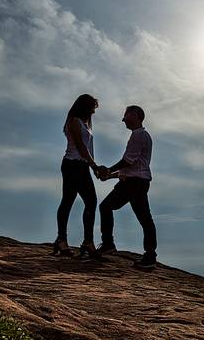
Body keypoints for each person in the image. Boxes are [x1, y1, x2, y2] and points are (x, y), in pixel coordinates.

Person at [96, 105, 157, 270]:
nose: (123, 119)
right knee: (144, 218)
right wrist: (110, 176)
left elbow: (128, 162)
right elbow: (130, 167)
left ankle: (110, 244)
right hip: (134, 182)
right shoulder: (139, 136)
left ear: (136, 115)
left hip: (134, 183)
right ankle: (149, 254)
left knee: (107, 207)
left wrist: (108, 170)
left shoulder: (139, 135)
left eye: (126, 115)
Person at [54, 94, 102, 258]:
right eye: (92, 108)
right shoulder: (74, 121)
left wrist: (92, 166)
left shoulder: (85, 123)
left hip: (81, 166)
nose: (93, 112)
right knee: (75, 201)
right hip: (73, 164)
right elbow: (81, 147)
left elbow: (88, 147)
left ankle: (79, 241)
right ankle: (68, 240)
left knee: (83, 201)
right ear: (85, 107)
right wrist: (94, 165)